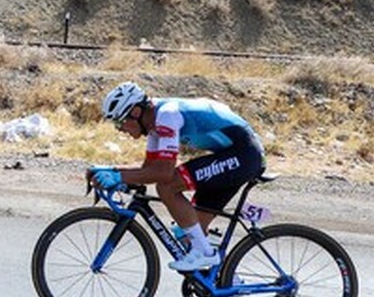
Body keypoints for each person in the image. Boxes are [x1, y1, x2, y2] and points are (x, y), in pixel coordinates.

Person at [89, 81, 265, 273]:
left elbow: (163, 174)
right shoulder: (154, 124)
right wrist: (112, 171)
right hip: (233, 156)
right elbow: (148, 169)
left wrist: (118, 177)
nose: (120, 129)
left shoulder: (167, 115)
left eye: (119, 122)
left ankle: (205, 253)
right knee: (188, 230)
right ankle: (225, 285)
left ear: (136, 112)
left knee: (167, 186)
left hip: (245, 155)